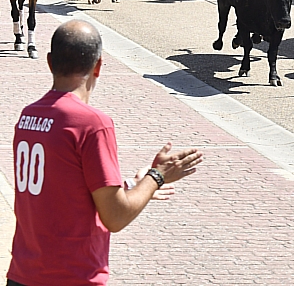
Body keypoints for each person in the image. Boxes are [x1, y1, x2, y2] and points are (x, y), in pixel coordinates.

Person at [6, 20, 202, 286]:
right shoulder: (92, 124)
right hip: (72, 275)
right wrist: (157, 176)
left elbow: (64, 187)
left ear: (50, 62)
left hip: (23, 273)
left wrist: (135, 185)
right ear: (98, 66)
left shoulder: (28, 116)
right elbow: (116, 216)